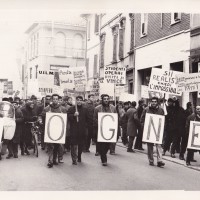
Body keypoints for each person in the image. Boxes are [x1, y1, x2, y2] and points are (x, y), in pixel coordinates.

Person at [42, 94, 67, 168]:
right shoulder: (47, 108)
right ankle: (50, 161)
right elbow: (42, 116)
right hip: (50, 130)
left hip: (58, 131)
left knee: (57, 146)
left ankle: (54, 159)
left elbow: (65, 120)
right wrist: (46, 115)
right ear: (52, 100)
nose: (55, 100)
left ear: (58, 100)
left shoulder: (62, 109)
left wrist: (64, 115)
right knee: (50, 146)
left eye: (56, 99)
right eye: (54, 99)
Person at [140, 97, 165, 167]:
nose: (154, 103)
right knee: (150, 146)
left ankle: (159, 161)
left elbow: (163, 120)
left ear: (157, 102)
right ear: (150, 102)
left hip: (158, 131)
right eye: (152, 101)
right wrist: (144, 127)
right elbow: (142, 119)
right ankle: (151, 160)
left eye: (155, 101)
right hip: (149, 131)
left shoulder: (161, 110)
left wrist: (162, 129)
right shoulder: (146, 109)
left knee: (159, 145)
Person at [93, 94, 117, 166]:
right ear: (102, 100)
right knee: (102, 145)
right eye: (105, 99)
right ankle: (104, 160)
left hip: (109, 130)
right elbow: (94, 119)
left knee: (107, 145)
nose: (106, 100)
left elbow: (116, 118)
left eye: (107, 99)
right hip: (101, 130)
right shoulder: (97, 108)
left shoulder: (113, 108)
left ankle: (103, 154)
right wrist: (100, 123)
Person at [67, 96, 88, 165]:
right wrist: (73, 115)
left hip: (82, 130)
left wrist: (86, 128)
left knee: (81, 145)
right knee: (74, 145)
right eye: (78, 100)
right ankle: (74, 159)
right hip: (74, 130)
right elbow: (68, 117)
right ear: (76, 101)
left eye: (80, 100)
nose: (79, 101)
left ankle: (79, 156)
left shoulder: (85, 109)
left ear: (82, 101)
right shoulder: (71, 108)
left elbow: (87, 119)